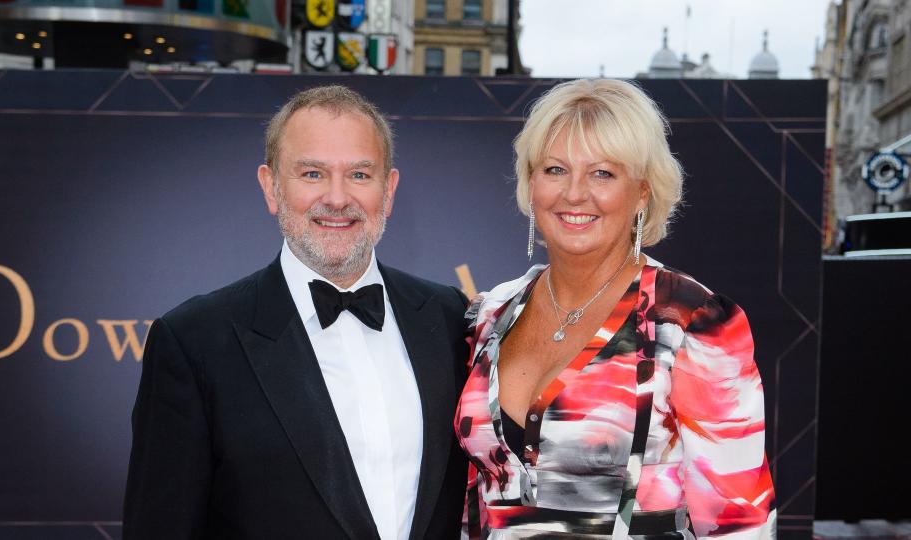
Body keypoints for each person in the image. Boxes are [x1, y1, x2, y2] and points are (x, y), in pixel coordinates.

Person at [123, 85, 469, 540]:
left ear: (389, 190)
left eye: (360, 175)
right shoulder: (194, 341)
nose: (338, 198)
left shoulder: (449, 318)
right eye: (312, 173)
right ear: (271, 187)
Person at [455, 79, 776, 539]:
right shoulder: (491, 314)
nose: (574, 194)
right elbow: (473, 500)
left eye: (603, 173)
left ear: (642, 193)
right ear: (531, 182)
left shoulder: (690, 321)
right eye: (554, 169)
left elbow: (739, 521)